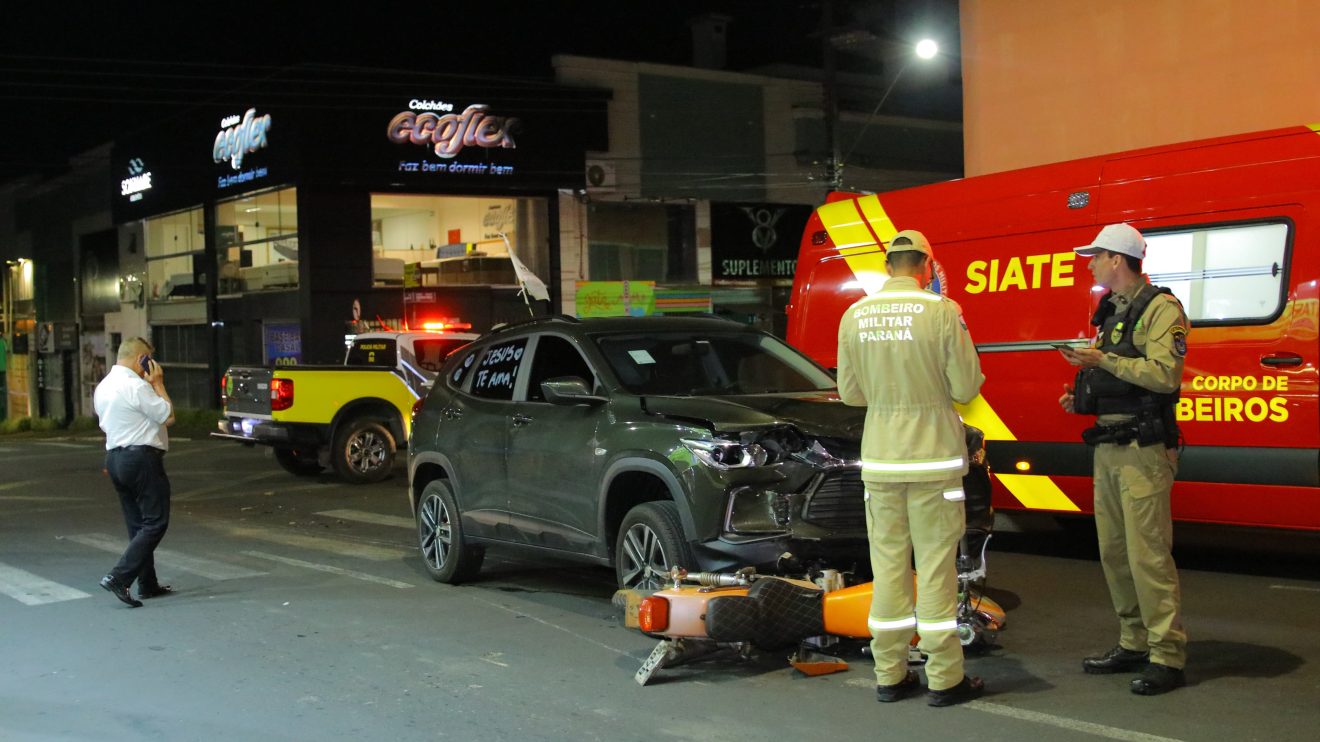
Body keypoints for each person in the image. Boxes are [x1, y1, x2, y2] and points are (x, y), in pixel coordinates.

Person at [836, 229, 986, 707]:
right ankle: (944, 678)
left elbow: (850, 394)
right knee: (937, 571)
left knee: (888, 571)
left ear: (888, 266)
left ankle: (890, 674)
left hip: (880, 462)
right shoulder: (942, 312)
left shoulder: (854, 315)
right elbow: (966, 386)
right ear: (926, 266)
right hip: (933, 463)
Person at [1058, 223, 1189, 695]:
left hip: (1143, 451)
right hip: (1110, 447)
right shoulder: (1112, 310)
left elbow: (1164, 375)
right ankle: (1134, 641)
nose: (1089, 263)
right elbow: (1121, 378)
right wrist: (1081, 397)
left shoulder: (1161, 308)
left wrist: (1102, 362)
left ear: (1117, 258)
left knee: (1148, 555)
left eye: (1095, 256)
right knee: (1115, 553)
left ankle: (1167, 655)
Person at [93, 336, 175, 608]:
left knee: (137, 525)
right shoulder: (136, 386)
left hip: (115, 459)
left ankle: (147, 584)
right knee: (155, 522)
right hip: (141, 459)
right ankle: (119, 577)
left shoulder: (103, 387)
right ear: (141, 357)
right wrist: (158, 384)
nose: (149, 365)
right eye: (148, 359)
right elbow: (168, 416)